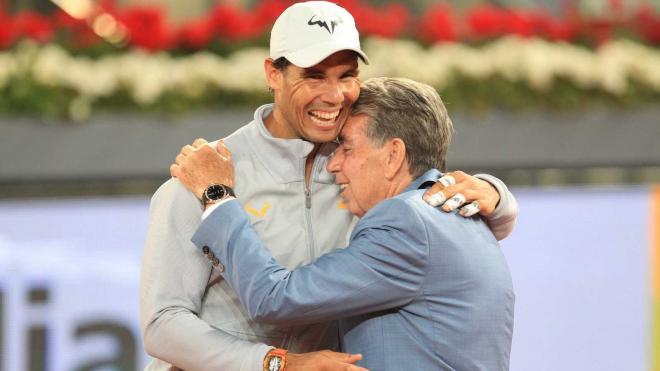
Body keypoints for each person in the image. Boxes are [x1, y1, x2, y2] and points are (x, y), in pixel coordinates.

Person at [141, 2, 519, 370]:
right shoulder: (207, 177)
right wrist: (275, 365)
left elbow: (434, 233)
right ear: (273, 74)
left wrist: (497, 197)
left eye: (346, 75)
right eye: (315, 75)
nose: (335, 95)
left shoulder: (361, 168)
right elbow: (163, 323)